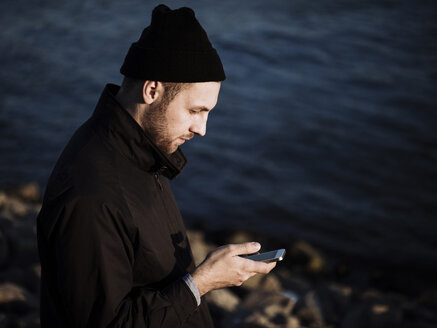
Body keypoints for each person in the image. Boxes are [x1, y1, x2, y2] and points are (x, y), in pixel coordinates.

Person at [37, 4, 276, 327]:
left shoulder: (144, 154)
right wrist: (201, 283)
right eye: (195, 111)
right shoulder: (90, 194)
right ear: (152, 90)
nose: (202, 129)